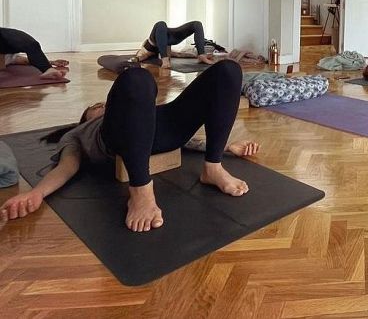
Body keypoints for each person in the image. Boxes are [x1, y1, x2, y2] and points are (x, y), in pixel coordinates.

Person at [0, 60, 260, 232]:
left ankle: (213, 167)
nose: (100, 106)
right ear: (86, 117)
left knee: (228, 70)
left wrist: (225, 147)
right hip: (120, 140)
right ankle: (141, 191)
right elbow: (67, 166)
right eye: (94, 108)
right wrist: (37, 193)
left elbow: (188, 141)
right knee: (136, 78)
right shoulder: (80, 133)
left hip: (164, 128)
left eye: (102, 104)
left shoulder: (143, 109)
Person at [131, 21, 216, 69]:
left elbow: (140, 56)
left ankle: (202, 54)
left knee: (197, 24)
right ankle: (165, 59)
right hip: (170, 39)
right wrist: (192, 55)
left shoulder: (145, 49)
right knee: (161, 24)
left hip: (166, 35)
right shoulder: (163, 50)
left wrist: (136, 59)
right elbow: (178, 54)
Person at [0, 27, 68, 80]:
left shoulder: (7, 56)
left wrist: (51, 62)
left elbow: (22, 60)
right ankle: (48, 69)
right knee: (31, 44)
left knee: (31, 44)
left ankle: (48, 70)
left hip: (7, 42)